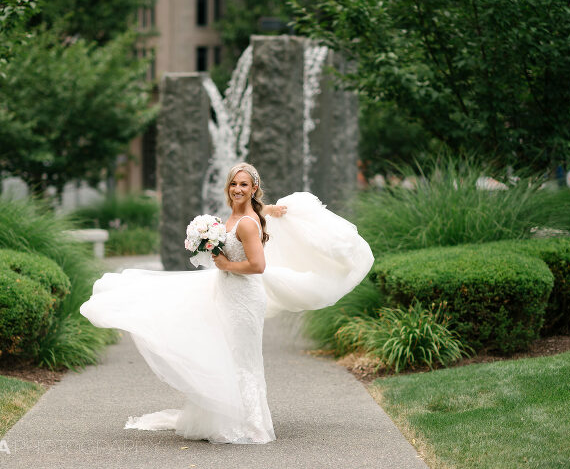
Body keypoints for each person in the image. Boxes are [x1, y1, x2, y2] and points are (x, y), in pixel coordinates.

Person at [79, 162, 374, 444]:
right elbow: (259, 218)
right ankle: (225, 417)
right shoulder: (236, 218)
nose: (237, 188)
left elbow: (258, 265)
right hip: (226, 292)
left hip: (244, 297)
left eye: (244, 184)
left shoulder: (246, 223)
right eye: (233, 183)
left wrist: (225, 265)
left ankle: (250, 425)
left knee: (242, 358)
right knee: (226, 353)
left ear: (254, 187)